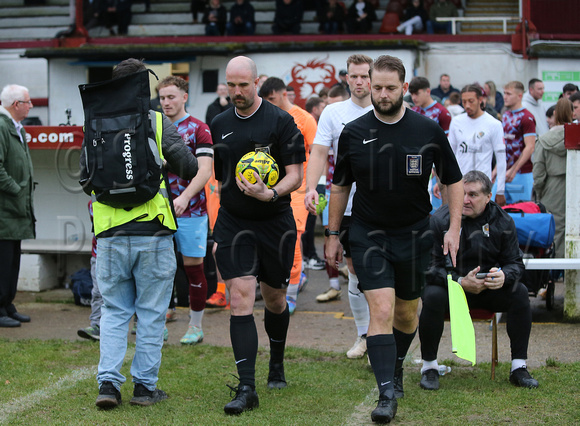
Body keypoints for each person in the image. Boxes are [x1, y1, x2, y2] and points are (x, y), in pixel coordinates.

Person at [326, 55, 463, 423]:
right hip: (369, 232)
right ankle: (386, 393)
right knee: (382, 311)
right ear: (367, 85)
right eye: (377, 87)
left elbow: (453, 179)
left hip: (416, 233)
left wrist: (453, 228)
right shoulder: (353, 131)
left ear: (405, 88)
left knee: (406, 313)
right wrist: (333, 234)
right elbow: (339, 186)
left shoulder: (427, 129)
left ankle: (397, 365)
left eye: (390, 88)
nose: (383, 94)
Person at [82, 58, 198, 409]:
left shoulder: (94, 123)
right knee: (150, 313)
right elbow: (190, 167)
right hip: (153, 232)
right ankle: (145, 388)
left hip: (111, 234)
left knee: (115, 311)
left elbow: (86, 179)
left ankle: (108, 385)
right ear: (141, 86)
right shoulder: (157, 121)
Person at [210, 56, 305, 415]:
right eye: (230, 85)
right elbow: (216, 173)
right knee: (241, 295)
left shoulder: (281, 122)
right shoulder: (218, 123)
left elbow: (295, 173)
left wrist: (271, 193)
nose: (236, 92)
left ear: (256, 81)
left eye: (243, 85)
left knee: (275, 298)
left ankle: (276, 362)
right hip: (234, 221)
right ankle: (246, 387)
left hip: (274, 221)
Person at [419, 171, 538, 391]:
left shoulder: (503, 221)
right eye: (462, 193)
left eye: (472, 195)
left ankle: (518, 367)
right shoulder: (440, 219)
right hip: (454, 290)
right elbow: (427, 268)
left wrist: (504, 276)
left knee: (519, 292)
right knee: (432, 295)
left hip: (488, 289)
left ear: (488, 196)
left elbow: (516, 264)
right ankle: (429, 367)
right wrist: (460, 281)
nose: (465, 200)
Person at [304, 54, 374, 361]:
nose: (359, 82)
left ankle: (384, 334)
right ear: (347, 78)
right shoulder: (333, 112)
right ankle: (364, 335)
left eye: (365, 76)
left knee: (386, 274)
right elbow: (319, 151)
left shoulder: (387, 108)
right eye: (354, 76)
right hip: (345, 205)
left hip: (383, 206)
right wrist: (311, 187)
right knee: (356, 270)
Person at [157, 76, 214, 345]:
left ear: (184, 97)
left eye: (171, 97)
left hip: (191, 211)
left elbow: (205, 170)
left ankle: (195, 325)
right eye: (162, 98)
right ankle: (159, 320)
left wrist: (185, 197)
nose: (166, 102)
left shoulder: (198, 129)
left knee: (193, 268)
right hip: (158, 211)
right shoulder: (153, 126)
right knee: (158, 268)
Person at [259, 77, 317, 315]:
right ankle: (289, 280)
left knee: (292, 239)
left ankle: (291, 294)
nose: (269, 104)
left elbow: (317, 153)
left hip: (298, 188)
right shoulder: (265, 118)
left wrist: (312, 187)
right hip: (271, 189)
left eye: (272, 99)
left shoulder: (305, 119)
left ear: (284, 94)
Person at [0, 84, 35, 328]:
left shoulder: (15, 128)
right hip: (5, 209)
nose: (31, 106)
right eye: (28, 102)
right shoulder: (2, 127)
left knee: (13, 258)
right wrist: (16, 189)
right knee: (3, 260)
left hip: (15, 209)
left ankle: (7, 303)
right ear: (16, 105)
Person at [447, 84, 506, 205]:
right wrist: (443, 182)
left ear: (480, 100)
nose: (467, 105)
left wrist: (500, 190)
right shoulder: (456, 122)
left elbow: (501, 159)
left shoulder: (494, 124)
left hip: (482, 186)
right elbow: (449, 155)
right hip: (460, 184)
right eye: (464, 101)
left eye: (471, 101)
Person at [533, 98, 573, 260]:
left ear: (555, 114)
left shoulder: (544, 140)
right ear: (572, 113)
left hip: (551, 187)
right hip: (573, 185)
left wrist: (539, 191)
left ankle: (555, 269)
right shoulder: (575, 137)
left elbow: (539, 172)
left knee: (554, 228)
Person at [502, 80, 536, 204]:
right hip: (505, 172)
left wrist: (514, 169)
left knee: (522, 211)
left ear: (519, 96)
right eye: (504, 93)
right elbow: (503, 145)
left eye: (509, 94)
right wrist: (497, 170)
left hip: (522, 173)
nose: (505, 97)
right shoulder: (505, 115)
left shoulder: (527, 117)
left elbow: (530, 147)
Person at [77, 200, 102, 340]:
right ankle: (97, 325)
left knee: (134, 291)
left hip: (121, 253)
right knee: (98, 292)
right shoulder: (92, 203)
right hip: (99, 253)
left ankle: (139, 323)